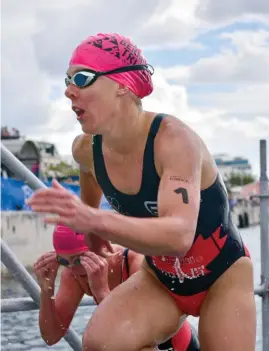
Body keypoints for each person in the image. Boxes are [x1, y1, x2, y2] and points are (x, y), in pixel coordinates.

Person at [27, 32, 256, 351]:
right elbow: (88, 195)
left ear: (122, 84)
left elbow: (178, 237)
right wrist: (91, 237)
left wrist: (95, 219)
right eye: (67, 80)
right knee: (102, 343)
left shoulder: (173, 140)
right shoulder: (86, 151)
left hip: (223, 276)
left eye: (81, 78)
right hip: (160, 279)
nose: (68, 91)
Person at [34, 224, 200, 351]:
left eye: (80, 259)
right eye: (64, 261)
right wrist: (46, 291)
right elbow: (51, 337)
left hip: (177, 345)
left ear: (103, 245)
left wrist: (101, 291)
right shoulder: (73, 275)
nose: (75, 269)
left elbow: (134, 334)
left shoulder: (136, 263)